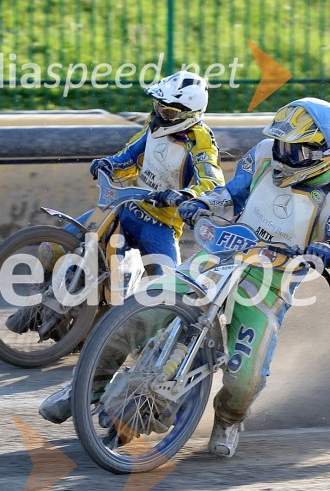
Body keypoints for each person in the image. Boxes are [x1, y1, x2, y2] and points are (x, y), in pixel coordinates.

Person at [176, 97, 330, 457]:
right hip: (222, 253)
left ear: (322, 154)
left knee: (246, 378)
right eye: (281, 144)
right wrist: (202, 202)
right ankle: (91, 384)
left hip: (269, 285)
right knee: (151, 301)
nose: (282, 155)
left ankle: (229, 419)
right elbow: (231, 194)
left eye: (294, 150)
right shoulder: (264, 153)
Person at [37, 70, 225, 423]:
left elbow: (212, 182)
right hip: (125, 207)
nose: (160, 113)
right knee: (57, 244)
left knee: (163, 297)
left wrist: (184, 195)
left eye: (169, 110)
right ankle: (52, 296)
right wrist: (108, 164)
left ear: (190, 114)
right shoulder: (152, 127)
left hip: (161, 226)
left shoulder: (201, 141)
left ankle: (128, 361)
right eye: (158, 105)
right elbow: (127, 157)